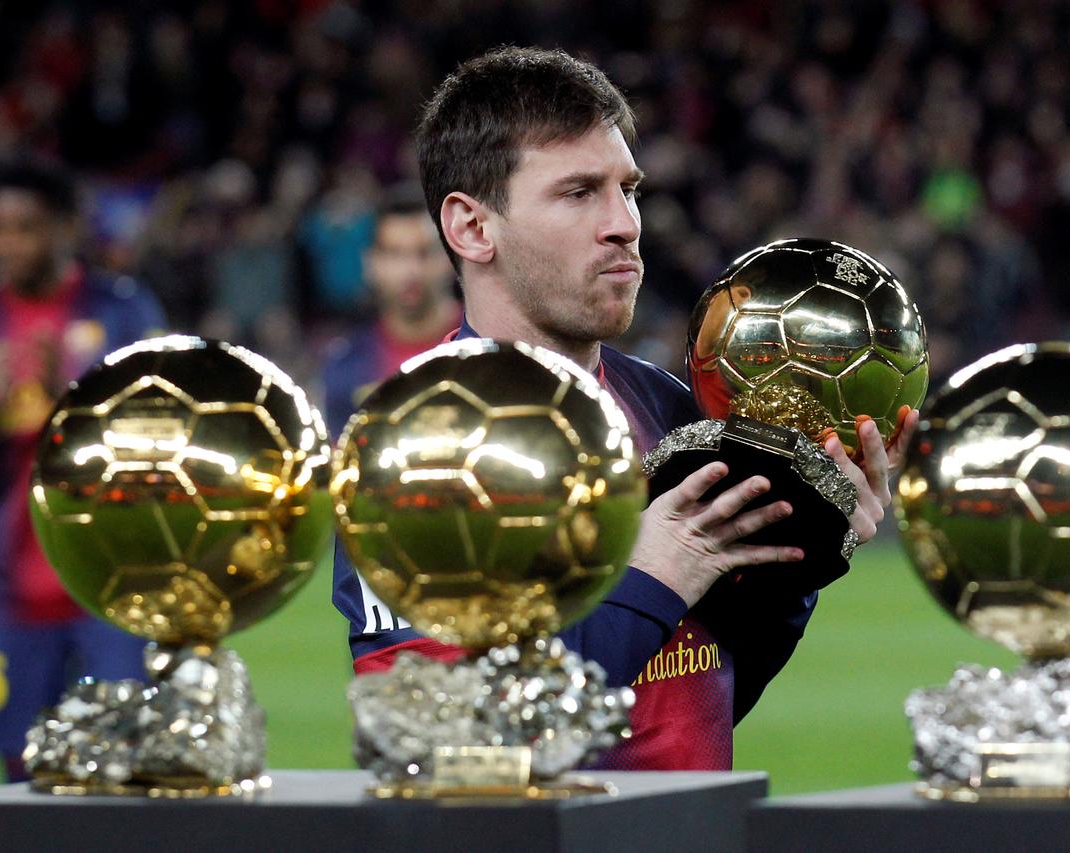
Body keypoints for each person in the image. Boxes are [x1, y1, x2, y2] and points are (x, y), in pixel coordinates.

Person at [331, 47, 917, 770]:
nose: (625, 224)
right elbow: (452, 742)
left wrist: (798, 562)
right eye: (579, 193)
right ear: (472, 228)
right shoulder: (407, 447)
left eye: (628, 189)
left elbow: (697, 698)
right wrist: (656, 572)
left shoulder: (667, 404)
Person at [0, 164, 166, 782]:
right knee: (19, 773)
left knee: (124, 766)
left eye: (26, 228)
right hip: (15, 588)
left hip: (113, 582)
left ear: (64, 228)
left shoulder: (123, 311)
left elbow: (161, 439)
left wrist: (69, 404)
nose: (10, 245)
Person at [321, 185, 462, 438]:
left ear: (450, 257)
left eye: (425, 252)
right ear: (371, 263)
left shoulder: (486, 345)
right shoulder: (344, 369)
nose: (411, 271)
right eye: (395, 253)